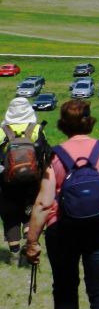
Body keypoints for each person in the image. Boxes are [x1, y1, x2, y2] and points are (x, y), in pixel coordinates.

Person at [24, 99, 99, 309]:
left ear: (63, 125)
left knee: (65, 290)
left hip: (63, 229)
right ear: (89, 122)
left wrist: (32, 242)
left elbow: (44, 203)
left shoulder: (53, 155)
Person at [1, 97, 50, 266]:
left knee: (10, 216)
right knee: (30, 213)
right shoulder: (36, 129)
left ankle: (14, 255)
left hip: (7, 183)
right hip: (32, 182)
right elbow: (44, 155)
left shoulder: (2, 130)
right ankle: (28, 247)